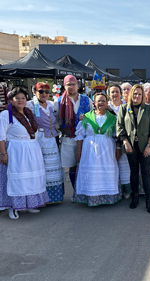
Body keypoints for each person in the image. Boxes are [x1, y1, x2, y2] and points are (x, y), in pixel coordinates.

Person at [0, 87, 49, 219]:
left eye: (23, 98)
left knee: (30, 179)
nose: (21, 100)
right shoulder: (7, 114)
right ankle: (13, 207)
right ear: (11, 100)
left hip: (31, 150)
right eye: (17, 98)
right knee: (16, 180)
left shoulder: (28, 113)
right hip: (16, 151)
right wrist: (3, 153)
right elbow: (1, 136)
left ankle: (29, 204)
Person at [72, 92, 121, 206]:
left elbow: (117, 135)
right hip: (90, 150)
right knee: (92, 172)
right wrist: (78, 150)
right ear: (94, 103)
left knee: (105, 172)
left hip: (107, 150)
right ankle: (90, 196)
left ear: (106, 103)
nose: (101, 103)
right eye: (99, 101)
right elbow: (80, 135)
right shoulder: (86, 117)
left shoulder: (113, 118)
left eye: (103, 101)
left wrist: (118, 148)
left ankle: (108, 197)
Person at [117, 84, 150, 213]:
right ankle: (135, 197)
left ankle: (148, 200)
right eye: (135, 93)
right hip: (130, 147)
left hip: (146, 146)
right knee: (133, 172)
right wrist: (125, 142)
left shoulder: (148, 109)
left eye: (139, 94)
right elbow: (120, 127)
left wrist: (149, 145)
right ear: (131, 95)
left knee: (145, 173)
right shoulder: (124, 108)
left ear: (143, 96)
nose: (137, 96)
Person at [26, 83, 64, 204]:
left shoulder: (51, 105)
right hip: (39, 139)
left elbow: (57, 120)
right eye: (41, 91)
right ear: (35, 92)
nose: (44, 94)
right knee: (40, 167)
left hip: (52, 139)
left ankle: (54, 197)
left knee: (52, 167)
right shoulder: (31, 105)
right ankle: (40, 198)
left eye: (47, 92)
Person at [53, 75, 93, 192]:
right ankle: (76, 191)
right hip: (68, 138)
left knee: (85, 163)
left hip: (85, 138)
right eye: (68, 84)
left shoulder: (86, 99)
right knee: (72, 165)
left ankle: (86, 189)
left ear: (77, 85)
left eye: (73, 84)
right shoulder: (59, 101)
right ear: (64, 86)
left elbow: (93, 115)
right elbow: (55, 120)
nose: (71, 87)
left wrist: (86, 118)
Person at [107, 83, 131, 199]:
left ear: (121, 93)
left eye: (117, 91)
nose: (115, 94)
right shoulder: (105, 107)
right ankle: (115, 190)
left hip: (124, 139)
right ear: (109, 94)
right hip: (109, 140)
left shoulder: (127, 106)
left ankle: (127, 190)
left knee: (124, 165)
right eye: (112, 92)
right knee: (112, 165)